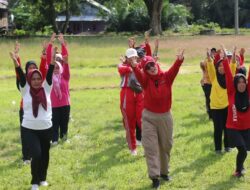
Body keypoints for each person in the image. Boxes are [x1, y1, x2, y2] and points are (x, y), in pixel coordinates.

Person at [130, 50, 184, 189]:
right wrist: (135, 66)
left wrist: (179, 60)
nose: (151, 68)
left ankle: (164, 172)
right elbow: (138, 73)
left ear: (156, 64)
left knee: (166, 146)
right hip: (149, 117)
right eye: (147, 67)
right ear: (145, 70)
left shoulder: (167, 77)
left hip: (165, 117)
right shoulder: (145, 80)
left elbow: (175, 69)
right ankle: (155, 177)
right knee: (151, 147)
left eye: (152, 65)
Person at [10, 46, 56, 190]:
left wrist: (52, 61)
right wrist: (16, 63)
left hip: (46, 127)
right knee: (36, 154)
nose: (36, 81)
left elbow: (49, 73)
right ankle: (35, 182)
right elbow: (20, 74)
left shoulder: (46, 88)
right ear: (29, 80)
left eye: (38, 78)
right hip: (29, 129)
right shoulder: (25, 89)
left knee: (45, 155)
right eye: (33, 79)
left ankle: (43, 178)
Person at [14, 41, 48, 164]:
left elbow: (44, 70)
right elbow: (18, 71)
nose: (32, 69)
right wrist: (16, 56)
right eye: (30, 67)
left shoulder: (38, 79)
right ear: (26, 70)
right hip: (25, 110)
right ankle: (26, 157)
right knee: (25, 134)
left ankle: (36, 154)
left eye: (34, 67)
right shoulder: (24, 81)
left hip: (38, 110)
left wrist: (44, 55)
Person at [220, 46, 250, 177]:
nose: (242, 84)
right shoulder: (231, 92)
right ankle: (239, 170)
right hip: (233, 128)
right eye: (239, 82)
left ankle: (240, 168)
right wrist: (225, 60)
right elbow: (227, 73)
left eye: (244, 82)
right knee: (242, 149)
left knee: (244, 151)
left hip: (247, 128)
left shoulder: (249, 92)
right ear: (236, 84)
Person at [207, 47, 236, 154]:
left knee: (227, 128)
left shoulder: (229, 77)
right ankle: (218, 149)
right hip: (215, 108)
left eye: (223, 65)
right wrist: (208, 55)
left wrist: (233, 54)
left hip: (227, 107)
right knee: (217, 129)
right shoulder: (213, 77)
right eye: (219, 66)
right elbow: (210, 65)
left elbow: (232, 65)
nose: (221, 68)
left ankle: (227, 146)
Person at [118, 48, 143, 155]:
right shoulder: (123, 66)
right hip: (127, 93)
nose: (133, 58)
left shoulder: (140, 65)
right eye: (131, 57)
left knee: (141, 120)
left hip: (139, 93)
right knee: (129, 121)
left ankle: (147, 145)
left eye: (135, 56)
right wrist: (130, 65)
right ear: (127, 58)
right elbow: (122, 69)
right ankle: (133, 148)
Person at [46, 33, 71, 145]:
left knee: (64, 123)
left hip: (65, 104)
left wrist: (62, 44)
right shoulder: (49, 76)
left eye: (59, 63)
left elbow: (66, 59)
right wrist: (50, 44)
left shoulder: (65, 75)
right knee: (54, 122)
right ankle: (54, 139)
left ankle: (64, 137)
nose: (56, 66)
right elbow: (48, 60)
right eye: (54, 64)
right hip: (54, 105)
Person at [200, 48, 216, 119]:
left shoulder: (208, 60)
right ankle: (210, 114)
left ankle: (211, 113)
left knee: (209, 99)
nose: (213, 54)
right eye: (212, 52)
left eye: (213, 52)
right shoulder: (208, 61)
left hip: (206, 82)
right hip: (207, 83)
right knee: (209, 99)